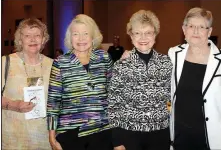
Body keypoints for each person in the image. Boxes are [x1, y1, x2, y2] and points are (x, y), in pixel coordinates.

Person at [168, 7, 221, 150]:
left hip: (215, 140)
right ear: (184, 29)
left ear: (209, 31)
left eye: (201, 27)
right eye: (191, 26)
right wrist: (131, 55)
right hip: (180, 138)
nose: (196, 31)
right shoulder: (173, 54)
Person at [108, 10, 172, 150]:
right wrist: (117, 140)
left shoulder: (166, 63)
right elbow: (114, 103)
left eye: (148, 32)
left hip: (160, 134)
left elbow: (170, 98)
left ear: (155, 35)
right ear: (131, 36)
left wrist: (167, 114)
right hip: (129, 134)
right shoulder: (121, 65)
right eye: (137, 33)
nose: (143, 37)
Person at [47, 14, 113, 150]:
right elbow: (53, 102)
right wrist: (52, 137)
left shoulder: (104, 58)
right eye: (76, 34)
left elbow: (114, 95)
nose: (81, 39)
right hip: (70, 133)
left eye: (85, 33)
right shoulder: (60, 62)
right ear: (70, 37)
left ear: (93, 36)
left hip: (102, 131)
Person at [1, 18, 53, 149]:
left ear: (43, 39)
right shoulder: (5, 63)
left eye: (37, 35)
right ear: (20, 40)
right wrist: (14, 105)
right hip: (12, 140)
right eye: (27, 36)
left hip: (44, 139)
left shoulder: (53, 65)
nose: (33, 39)